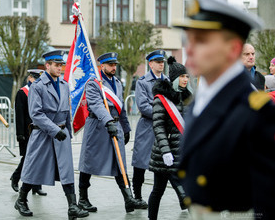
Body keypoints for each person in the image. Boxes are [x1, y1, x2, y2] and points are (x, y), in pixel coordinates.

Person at [173, 0, 275, 219]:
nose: (189, 49)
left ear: (233, 48)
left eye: (201, 41)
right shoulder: (201, 99)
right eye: (188, 39)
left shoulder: (255, 111)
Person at [15, 50, 88, 219]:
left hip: (61, 133)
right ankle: (21, 199)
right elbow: (36, 114)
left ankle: (72, 206)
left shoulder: (63, 84)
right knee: (35, 168)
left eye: (61, 65)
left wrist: (67, 131)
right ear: (47, 66)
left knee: (67, 169)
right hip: (43, 134)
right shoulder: (37, 86)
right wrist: (55, 131)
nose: (59, 68)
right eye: (56, 65)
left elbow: (67, 110)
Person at [78, 52, 141, 214]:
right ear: (102, 66)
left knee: (120, 163)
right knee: (89, 162)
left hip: (115, 125)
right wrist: (108, 121)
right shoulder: (93, 83)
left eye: (115, 65)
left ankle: (128, 198)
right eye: (111, 65)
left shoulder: (118, 83)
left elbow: (121, 108)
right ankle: (83, 198)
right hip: (98, 126)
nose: (114, 68)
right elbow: (96, 105)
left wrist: (126, 128)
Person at [147, 57, 192, 219]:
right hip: (164, 155)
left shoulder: (188, 96)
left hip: (182, 153)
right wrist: (166, 151)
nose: (186, 80)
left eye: (187, 76)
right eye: (182, 77)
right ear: (174, 79)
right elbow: (158, 126)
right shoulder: (162, 99)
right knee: (158, 190)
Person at [131, 50, 169, 208]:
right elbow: (143, 105)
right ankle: (137, 196)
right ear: (151, 63)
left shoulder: (167, 81)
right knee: (140, 163)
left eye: (162, 62)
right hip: (147, 127)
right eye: (158, 61)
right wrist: (161, 113)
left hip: (163, 128)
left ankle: (159, 194)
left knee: (162, 163)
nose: (161, 64)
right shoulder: (143, 81)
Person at [10, 69, 47, 196]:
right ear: (30, 78)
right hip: (27, 131)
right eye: (36, 78)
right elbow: (19, 114)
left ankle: (37, 186)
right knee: (28, 158)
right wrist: (19, 133)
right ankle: (15, 177)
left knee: (40, 158)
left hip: (40, 130)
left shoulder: (42, 91)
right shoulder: (23, 92)